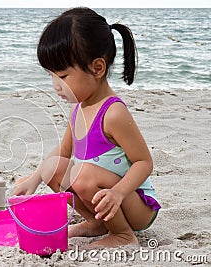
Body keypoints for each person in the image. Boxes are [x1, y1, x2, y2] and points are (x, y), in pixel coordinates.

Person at [12, 7, 161, 248]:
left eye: (63, 76)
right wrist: (35, 178)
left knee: (83, 174)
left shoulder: (113, 113)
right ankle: (97, 223)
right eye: (51, 76)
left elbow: (145, 163)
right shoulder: (78, 109)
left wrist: (119, 193)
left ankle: (123, 235)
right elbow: (63, 152)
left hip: (135, 204)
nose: (55, 86)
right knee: (53, 167)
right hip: (106, 199)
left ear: (97, 68)